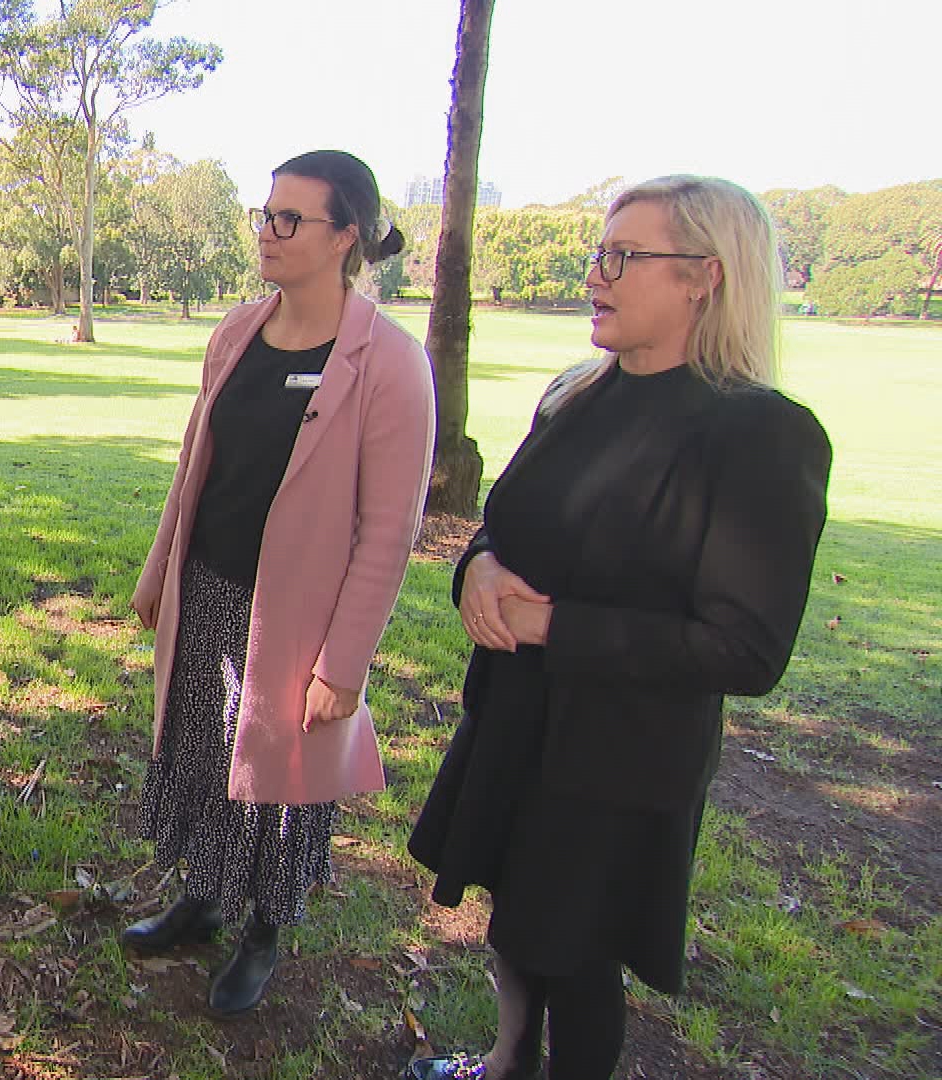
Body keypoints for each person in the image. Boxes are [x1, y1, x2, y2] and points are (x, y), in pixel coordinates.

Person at [404, 176, 832, 1080]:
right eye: (599, 253)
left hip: (617, 754)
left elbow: (746, 649)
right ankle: (506, 1062)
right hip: (515, 717)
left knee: (576, 953)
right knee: (516, 919)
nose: (596, 275)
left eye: (624, 257)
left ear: (705, 277)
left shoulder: (761, 435)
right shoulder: (574, 396)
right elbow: (502, 525)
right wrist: (477, 567)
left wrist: (557, 627)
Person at [126, 150, 435, 1016]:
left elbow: (389, 530)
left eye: (290, 219)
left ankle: (262, 928)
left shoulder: (389, 362)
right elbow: (195, 464)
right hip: (209, 588)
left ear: (346, 238)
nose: (268, 231)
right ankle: (203, 896)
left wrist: (345, 664)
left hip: (299, 615)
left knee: (279, 776)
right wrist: (160, 570)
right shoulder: (236, 331)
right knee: (204, 751)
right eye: (265, 214)